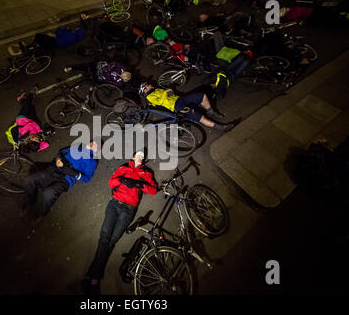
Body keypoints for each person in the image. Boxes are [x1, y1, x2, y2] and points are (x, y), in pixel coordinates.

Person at [81, 151, 157, 294]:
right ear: (133, 156)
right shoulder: (123, 168)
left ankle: (91, 277)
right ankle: (94, 280)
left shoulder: (146, 173)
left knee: (112, 241)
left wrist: (141, 185)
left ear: (144, 160)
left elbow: (153, 190)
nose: (139, 157)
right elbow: (111, 182)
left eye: (142, 156)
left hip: (128, 210)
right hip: (115, 204)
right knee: (104, 238)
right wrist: (121, 180)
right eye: (137, 155)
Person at [21, 139, 100, 225]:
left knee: (48, 194)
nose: (92, 145)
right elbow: (61, 152)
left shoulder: (92, 162)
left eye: (96, 146)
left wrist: (75, 174)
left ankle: (40, 214)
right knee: (29, 180)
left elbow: (87, 178)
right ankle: (28, 202)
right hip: (54, 170)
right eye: (92, 142)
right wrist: (58, 159)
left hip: (66, 180)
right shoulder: (76, 147)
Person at [139, 82, 236, 131]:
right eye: (147, 85)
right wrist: (166, 92)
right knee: (201, 118)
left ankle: (211, 112)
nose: (149, 85)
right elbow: (160, 101)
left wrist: (170, 91)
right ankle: (223, 128)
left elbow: (168, 96)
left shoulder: (156, 90)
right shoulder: (149, 97)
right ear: (145, 90)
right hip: (177, 107)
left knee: (202, 96)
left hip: (180, 100)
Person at [6, 87, 50, 153]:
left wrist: (39, 130)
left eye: (36, 140)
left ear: (31, 141)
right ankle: (22, 100)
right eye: (39, 140)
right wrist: (39, 147)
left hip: (22, 118)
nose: (38, 138)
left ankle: (31, 94)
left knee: (28, 105)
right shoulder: (33, 137)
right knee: (31, 107)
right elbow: (46, 145)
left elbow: (30, 125)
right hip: (30, 119)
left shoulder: (24, 133)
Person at [64, 61, 132, 88]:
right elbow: (115, 63)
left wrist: (106, 76)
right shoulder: (122, 68)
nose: (121, 75)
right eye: (123, 74)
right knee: (86, 66)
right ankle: (72, 68)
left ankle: (84, 77)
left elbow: (109, 82)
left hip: (101, 76)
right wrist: (108, 67)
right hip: (101, 67)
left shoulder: (119, 82)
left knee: (90, 79)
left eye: (123, 77)